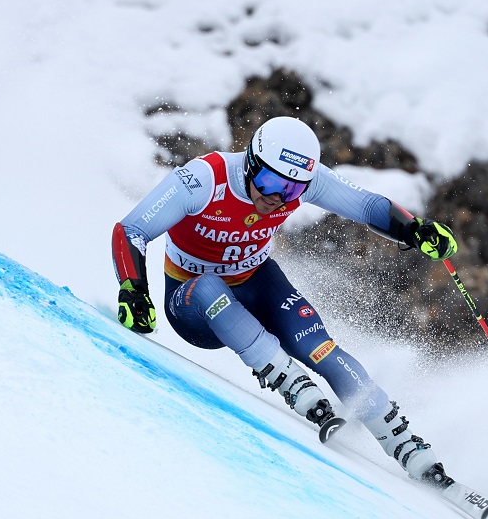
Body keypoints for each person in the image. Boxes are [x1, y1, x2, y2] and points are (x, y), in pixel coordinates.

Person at [111, 116, 460, 487]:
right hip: (194, 303)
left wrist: (413, 229)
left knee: (317, 346)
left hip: (257, 281)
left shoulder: (299, 181)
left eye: (292, 191)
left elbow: (368, 206)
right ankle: (291, 383)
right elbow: (130, 229)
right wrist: (133, 290)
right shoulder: (204, 179)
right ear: (250, 162)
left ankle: (408, 447)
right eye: (270, 182)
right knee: (211, 284)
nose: (277, 197)